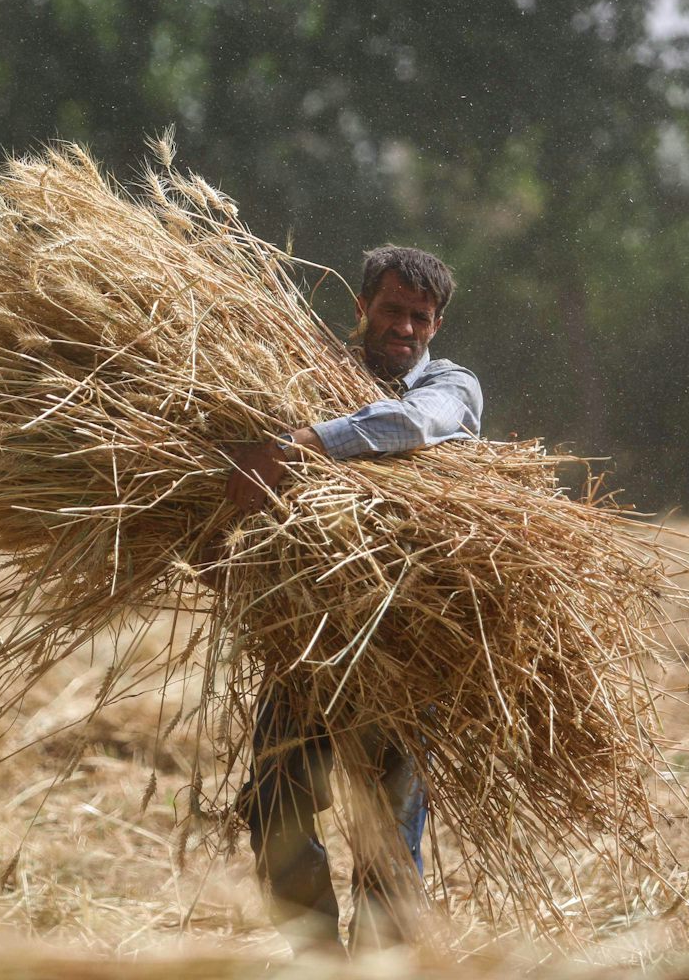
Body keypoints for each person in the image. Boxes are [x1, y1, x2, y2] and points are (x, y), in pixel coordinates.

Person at [224, 245, 483, 955]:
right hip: (303, 637)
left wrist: (302, 443)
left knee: (387, 837)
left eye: (419, 318)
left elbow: (416, 425)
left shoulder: (452, 387)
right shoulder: (307, 372)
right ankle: (315, 960)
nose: (404, 328)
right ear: (363, 307)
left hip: (407, 642)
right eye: (392, 311)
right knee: (275, 805)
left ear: (437, 324)